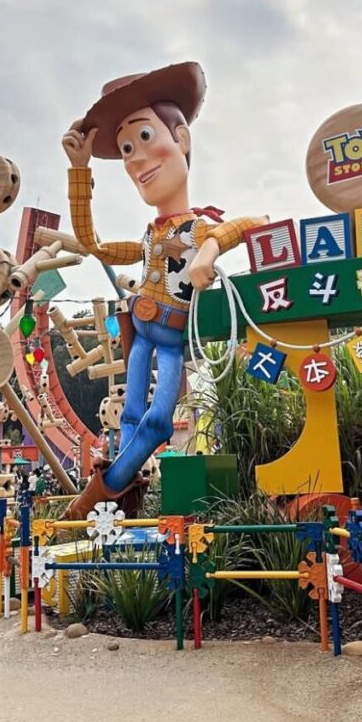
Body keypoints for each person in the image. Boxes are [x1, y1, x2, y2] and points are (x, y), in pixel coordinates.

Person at [61, 61, 265, 513]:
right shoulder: (150, 234)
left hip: (172, 339)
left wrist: (210, 250)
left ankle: (105, 489)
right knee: (131, 415)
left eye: (144, 137)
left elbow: (257, 221)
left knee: (157, 421)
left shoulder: (200, 227)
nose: (135, 159)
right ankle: (123, 497)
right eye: (126, 148)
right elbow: (94, 244)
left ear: (182, 140)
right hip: (140, 333)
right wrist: (79, 170)